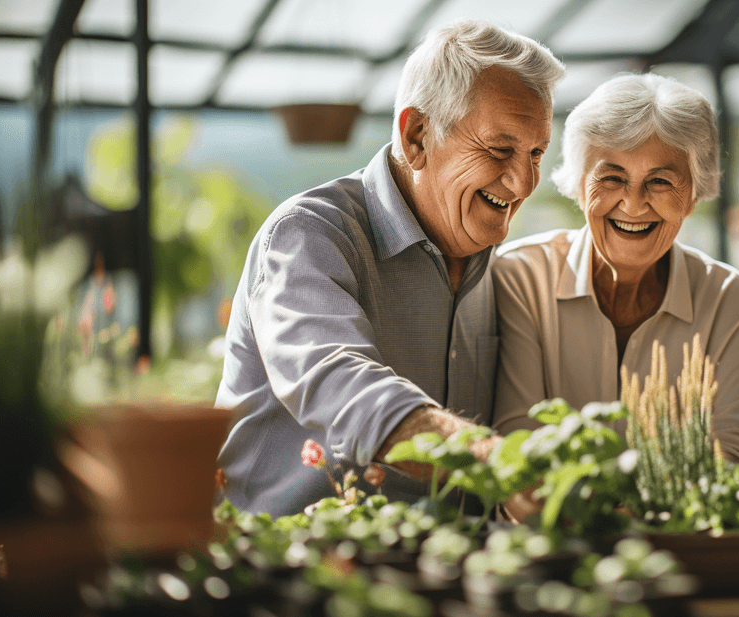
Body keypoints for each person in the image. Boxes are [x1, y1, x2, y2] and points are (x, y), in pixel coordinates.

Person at [215, 20, 564, 517]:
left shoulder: (501, 269)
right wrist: (493, 459)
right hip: (284, 563)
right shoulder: (308, 236)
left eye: (536, 154)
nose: (523, 181)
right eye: (500, 149)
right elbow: (337, 378)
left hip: (438, 571)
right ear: (417, 135)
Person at [492, 74, 739, 488]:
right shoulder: (520, 277)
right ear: (580, 188)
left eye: (660, 181)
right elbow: (520, 444)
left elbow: (738, 464)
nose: (634, 203)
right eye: (612, 177)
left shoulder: (727, 299)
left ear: (693, 195)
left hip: (677, 547)